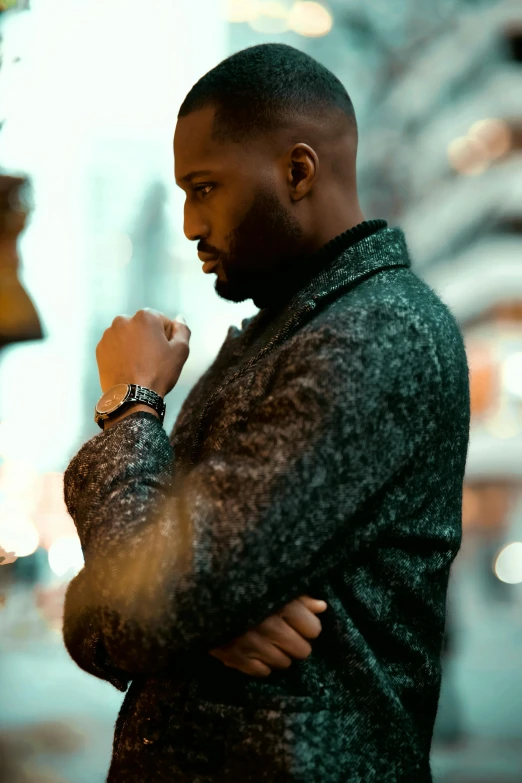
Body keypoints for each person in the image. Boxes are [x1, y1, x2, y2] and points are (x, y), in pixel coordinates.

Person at [61, 43, 470, 782]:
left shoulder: (375, 336)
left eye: (205, 187)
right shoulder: (282, 335)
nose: (189, 223)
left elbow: (148, 603)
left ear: (297, 172)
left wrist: (131, 404)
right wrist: (188, 613)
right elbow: (125, 603)